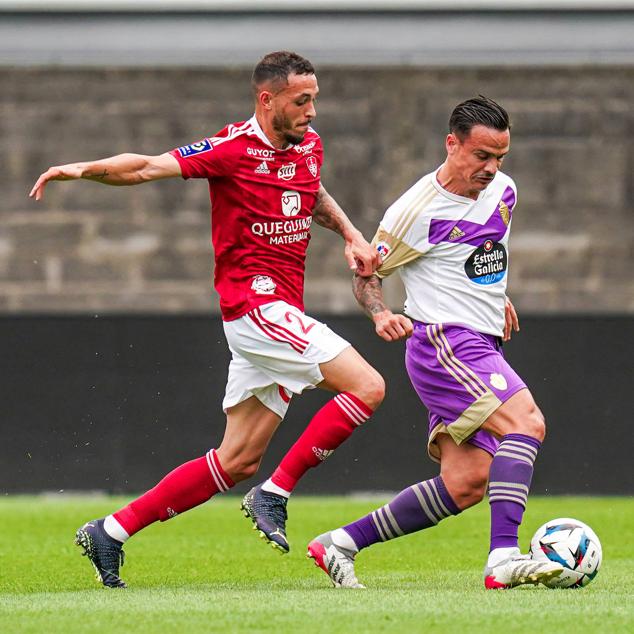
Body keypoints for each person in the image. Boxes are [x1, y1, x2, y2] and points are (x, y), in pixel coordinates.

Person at [30, 51, 385, 588]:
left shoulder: (308, 145)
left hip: (279, 311)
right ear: (267, 100)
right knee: (368, 386)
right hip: (256, 307)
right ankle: (276, 492)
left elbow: (309, 193)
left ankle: (110, 530)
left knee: (237, 459)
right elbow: (148, 165)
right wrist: (85, 169)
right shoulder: (232, 148)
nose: (312, 111)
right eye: (301, 100)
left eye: (314, 98)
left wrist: (353, 235)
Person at [306, 96, 564, 590]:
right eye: (481, 156)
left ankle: (340, 543)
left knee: (465, 485)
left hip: (480, 339)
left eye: (500, 158)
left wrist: (496, 297)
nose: (491, 169)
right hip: (445, 344)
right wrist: (380, 312)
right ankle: (503, 558)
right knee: (527, 422)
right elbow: (367, 274)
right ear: (452, 143)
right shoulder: (415, 210)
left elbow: (481, 254)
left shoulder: (505, 191)